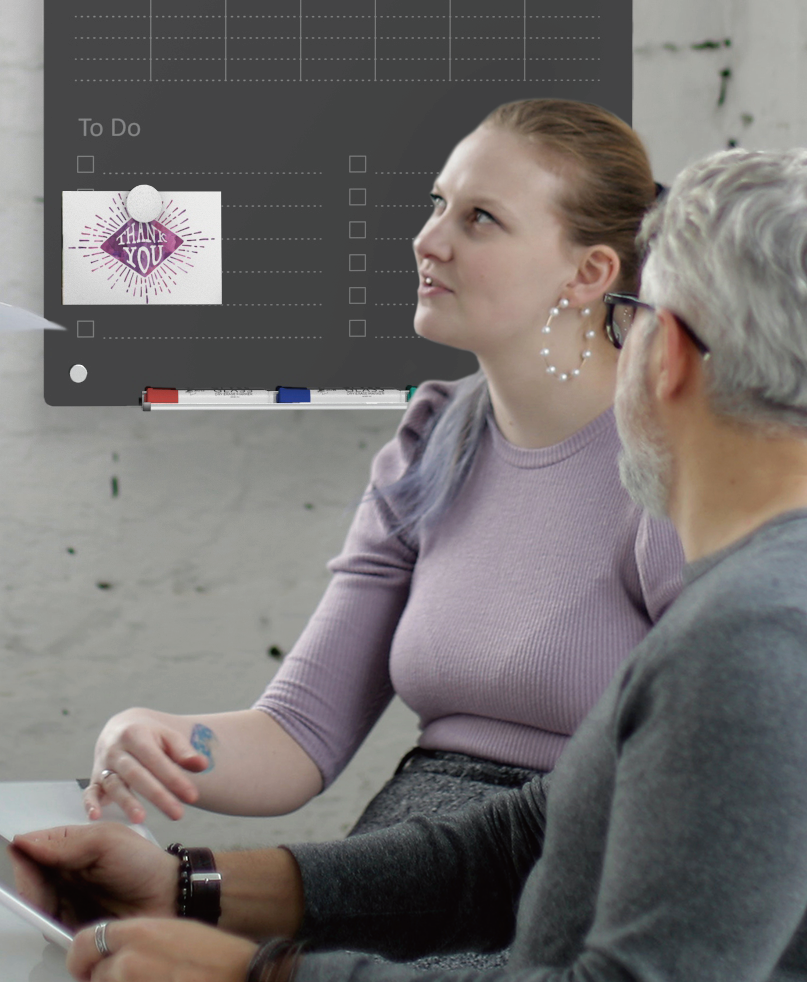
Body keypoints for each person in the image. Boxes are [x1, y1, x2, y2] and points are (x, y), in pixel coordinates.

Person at [20, 146, 807, 982]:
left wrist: (259, 975)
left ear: (672, 357)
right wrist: (190, 886)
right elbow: (517, 850)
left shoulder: (768, 642)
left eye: (632, 321)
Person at [89, 100, 683, 844]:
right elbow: (298, 734)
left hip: (569, 868)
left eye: (480, 219)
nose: (428, 241)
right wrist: (154, 735)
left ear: (589, 272)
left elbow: (717, 774)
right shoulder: (432, 440)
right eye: (438, 205)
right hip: (403, 860)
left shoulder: (677, 467)